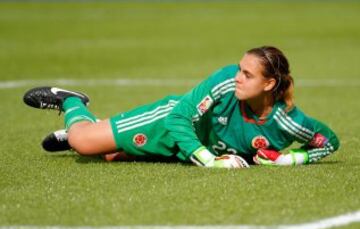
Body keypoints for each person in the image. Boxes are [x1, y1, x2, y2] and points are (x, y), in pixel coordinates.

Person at [23, 46, 340, 168]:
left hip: (184, 150)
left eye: (247, 74)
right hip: (172, 125)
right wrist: (209, 161)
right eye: (239, 69)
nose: (237, 77)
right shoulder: (225, 82)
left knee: (106, 155)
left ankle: (91, 126)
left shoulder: (288, 121)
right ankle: (73, 102)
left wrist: (293, 159)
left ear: (270, 84)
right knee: (84, 143)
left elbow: (328, 142)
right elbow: (179, 117)